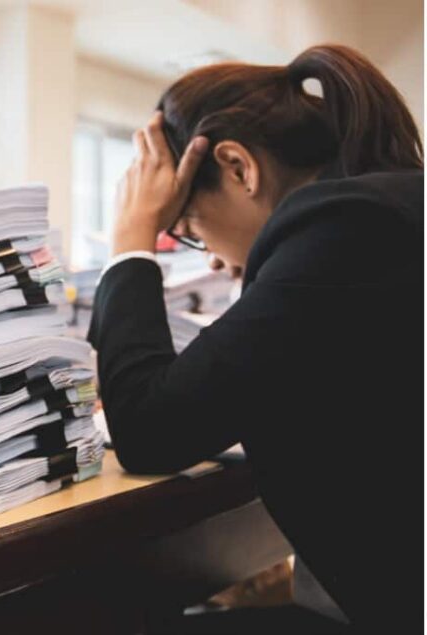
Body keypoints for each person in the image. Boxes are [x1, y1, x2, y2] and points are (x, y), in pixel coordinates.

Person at [87, 44, 422, 633]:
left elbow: (148, 430)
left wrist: (133, 239)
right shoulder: (386, 209)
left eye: (188, 229)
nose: (209, 254)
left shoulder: (343, 230)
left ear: (240, 167)